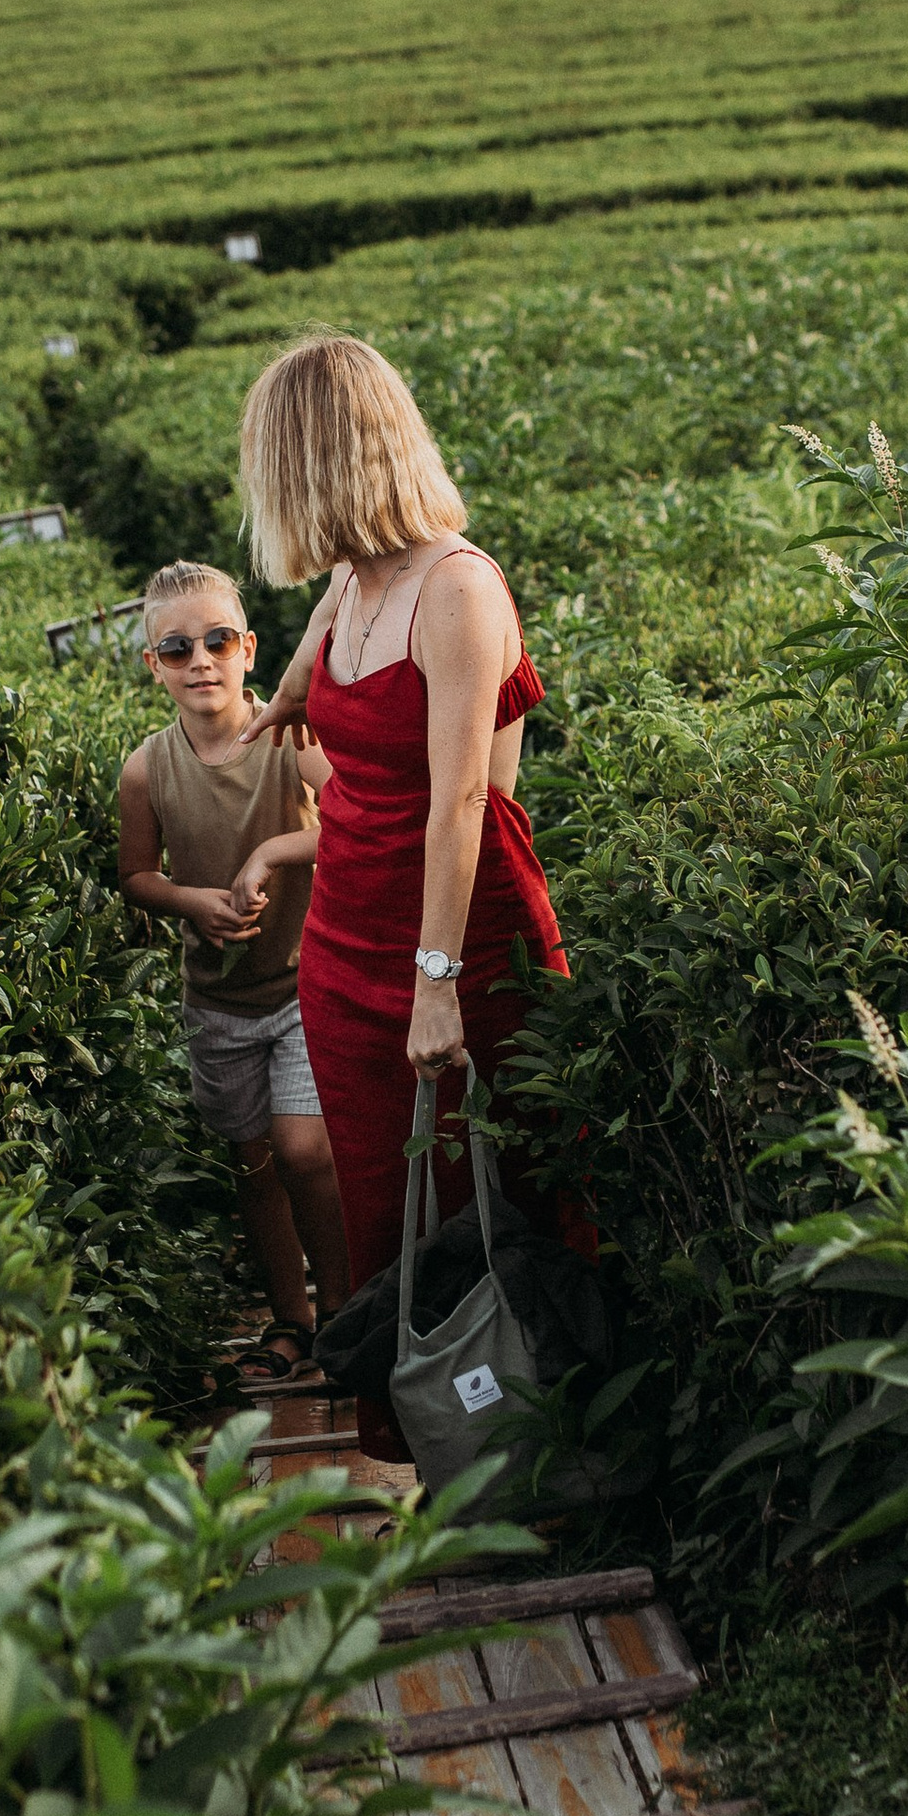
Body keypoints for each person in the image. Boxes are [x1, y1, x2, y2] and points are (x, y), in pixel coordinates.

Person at [235, 333, 579, 1463]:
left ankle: (534, 1447)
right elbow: (328, 639)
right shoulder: (351, 577)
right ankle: (438, 1443)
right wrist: (292, 684)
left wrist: (436, 988)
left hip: (451, 939)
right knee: (389, 1204)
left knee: (492, 1193)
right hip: (343, 935)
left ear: (317, 465)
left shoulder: (457, 589)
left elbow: (463, 802)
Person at [118, 557, 349, 1385]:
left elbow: (356, 818)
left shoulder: (290, 737)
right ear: (154, 665)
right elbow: (137, 873)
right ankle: (292, 1319)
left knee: (304, 1152)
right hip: (216, 1000)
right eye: (177, 649)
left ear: (250, 648)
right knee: (254, 1164)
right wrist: (190, 902)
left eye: (218, 640)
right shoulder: (147, 767)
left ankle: (346, 1313)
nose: (200, 661)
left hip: (299, 985)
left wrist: (272, 850)